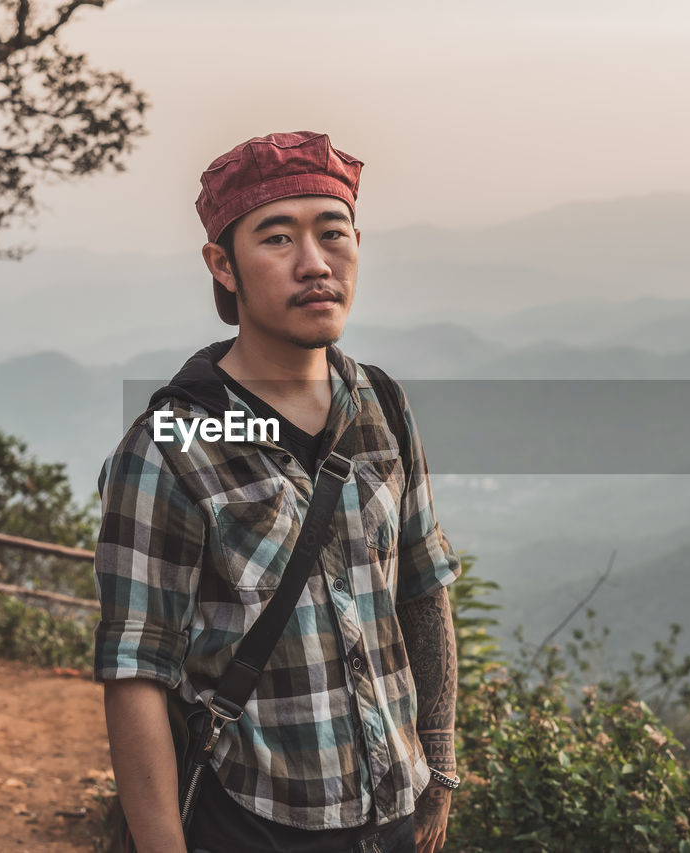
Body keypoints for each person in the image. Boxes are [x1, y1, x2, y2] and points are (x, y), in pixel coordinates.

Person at [93, 131, 462, 853]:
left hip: (394, 813)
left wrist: (437, 767)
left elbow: (422, 586)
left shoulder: (381, 405)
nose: (315, 264)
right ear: (222, 266)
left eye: (333, 234)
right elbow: (136, 669)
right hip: (253, 821)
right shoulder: (168, 448)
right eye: (277, 238)